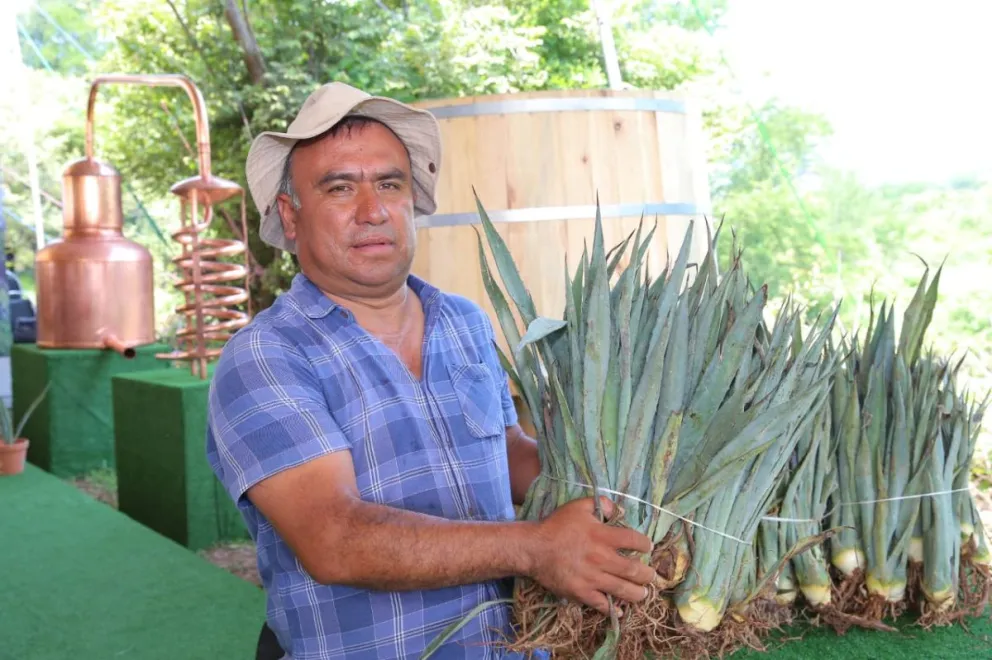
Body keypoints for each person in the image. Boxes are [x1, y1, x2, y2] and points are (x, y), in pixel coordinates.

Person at [205, 81, 658, 660]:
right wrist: (536, 548)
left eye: (389, 184)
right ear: (290, 218)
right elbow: (335, 540)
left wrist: (618, 476)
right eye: (340, 188)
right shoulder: (267, 356)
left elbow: (508, 450)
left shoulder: (463, 321)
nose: (373, 211)